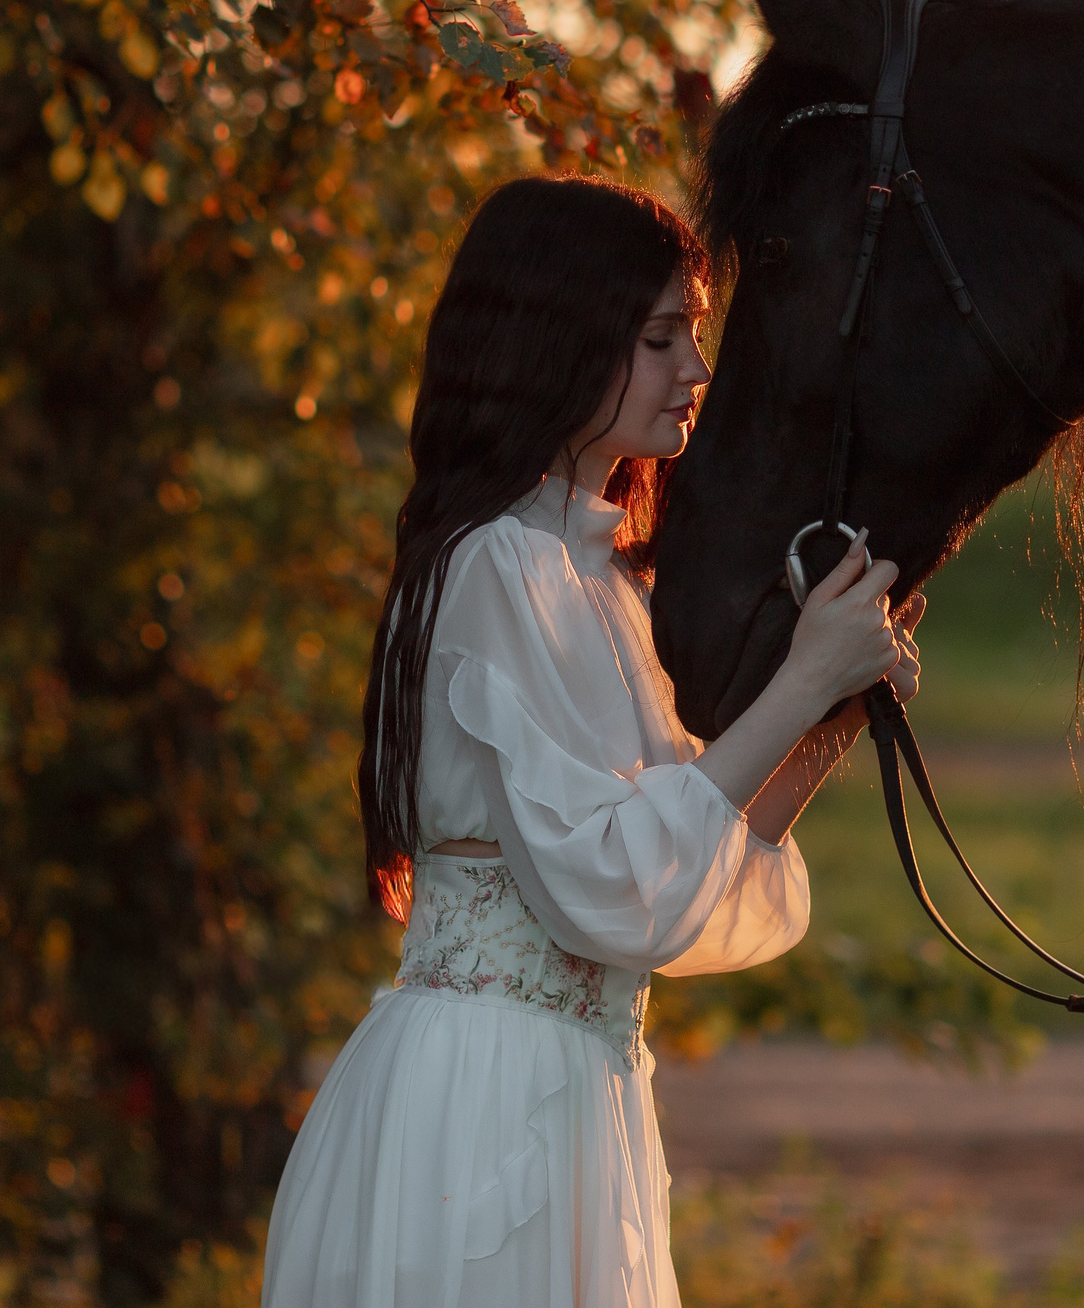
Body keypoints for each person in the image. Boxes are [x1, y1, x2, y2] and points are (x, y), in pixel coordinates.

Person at [261, 175, 922, 1308]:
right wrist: (801, 676)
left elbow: (676, 873)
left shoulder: (595, 578)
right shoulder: (495, 566)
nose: (696, 374)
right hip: (478, 1114)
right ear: (559, 337)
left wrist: (827, 721)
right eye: (663, 337)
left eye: (695, 336)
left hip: (569, 1091)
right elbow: (615, 882)